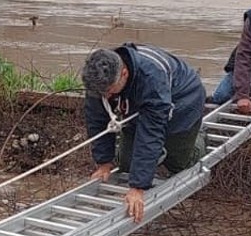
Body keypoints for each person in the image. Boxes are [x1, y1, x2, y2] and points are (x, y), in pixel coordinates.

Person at [81, 43, 207, 223]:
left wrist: (138, 188)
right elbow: (96, 119)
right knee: (126, 165)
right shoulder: (99, 81)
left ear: (124, 74)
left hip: (183, 101)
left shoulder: (151, 78)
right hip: (138, 104)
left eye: (109, 92)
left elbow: (151, 133)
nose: (106, 97)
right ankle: (156, 155)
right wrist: (104, 162)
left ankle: (199, 138)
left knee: (178, 165)